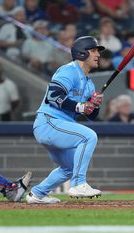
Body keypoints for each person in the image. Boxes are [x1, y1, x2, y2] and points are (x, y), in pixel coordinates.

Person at [26, 36, 105, 204]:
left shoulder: (89, 84)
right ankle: (78, 184)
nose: (98, 54)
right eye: (94, 51)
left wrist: (94, 105)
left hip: (58, 126)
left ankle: (37, 194)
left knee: (69, 167)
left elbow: (92, 116)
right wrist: (81, 107)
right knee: (89, 136)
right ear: (82, 53)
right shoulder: (69, 70)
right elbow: (53, 96)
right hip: (49, 122)